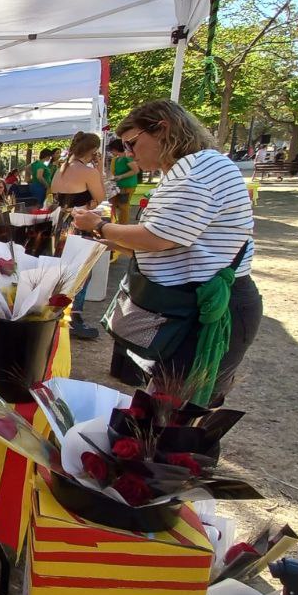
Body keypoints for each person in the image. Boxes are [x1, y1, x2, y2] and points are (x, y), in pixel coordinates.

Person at [73, 99, 261, 406]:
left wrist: (101, 227)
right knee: (168, 403)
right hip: (196, 302)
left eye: (133, 143)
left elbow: (160, 239)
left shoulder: (196, 172)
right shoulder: (194, 167)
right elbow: (178, 242)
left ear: (163, 129)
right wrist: (114, 242)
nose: (130, 152)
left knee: (177, 409)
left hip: (206, 307)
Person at [50, 131, 106, 341]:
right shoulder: (87, 172)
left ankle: (58, 312)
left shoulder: (61, 169)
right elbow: (101, 196)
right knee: (83, 271)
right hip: (78, 224)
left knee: (61, 269)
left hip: (59, 223)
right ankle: (74, 317)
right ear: (92, 151)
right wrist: (98, 169)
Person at [106, 137, 140, 225]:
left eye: (112, 150)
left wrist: (121, 176)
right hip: (118, 186)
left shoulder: (127, 158)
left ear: (116, 149)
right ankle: (114, 223)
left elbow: (135, 170)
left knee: (123, 207)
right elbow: (114, 172)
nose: (111, 152)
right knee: (113, 205)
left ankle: (123, 226)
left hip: (127, 186)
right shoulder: (116, 159)